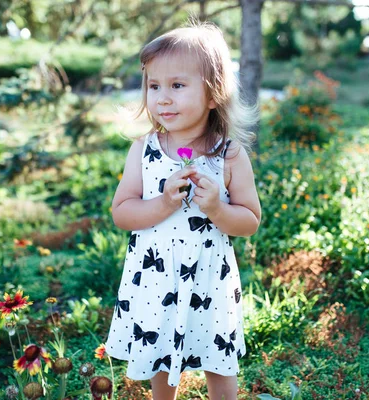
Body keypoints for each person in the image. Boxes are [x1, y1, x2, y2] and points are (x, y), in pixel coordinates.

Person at [104, 20, 261, 400]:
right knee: (160, 352)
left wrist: (216, 209)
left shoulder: (229, 154)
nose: (162, 98)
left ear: (213, 94)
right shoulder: (145, 149)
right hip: (156, 277)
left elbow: (250, 221)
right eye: (154, 86)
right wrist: (164, 202)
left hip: (210, 278)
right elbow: (122, 212)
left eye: (177, 85)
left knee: (217, 354)